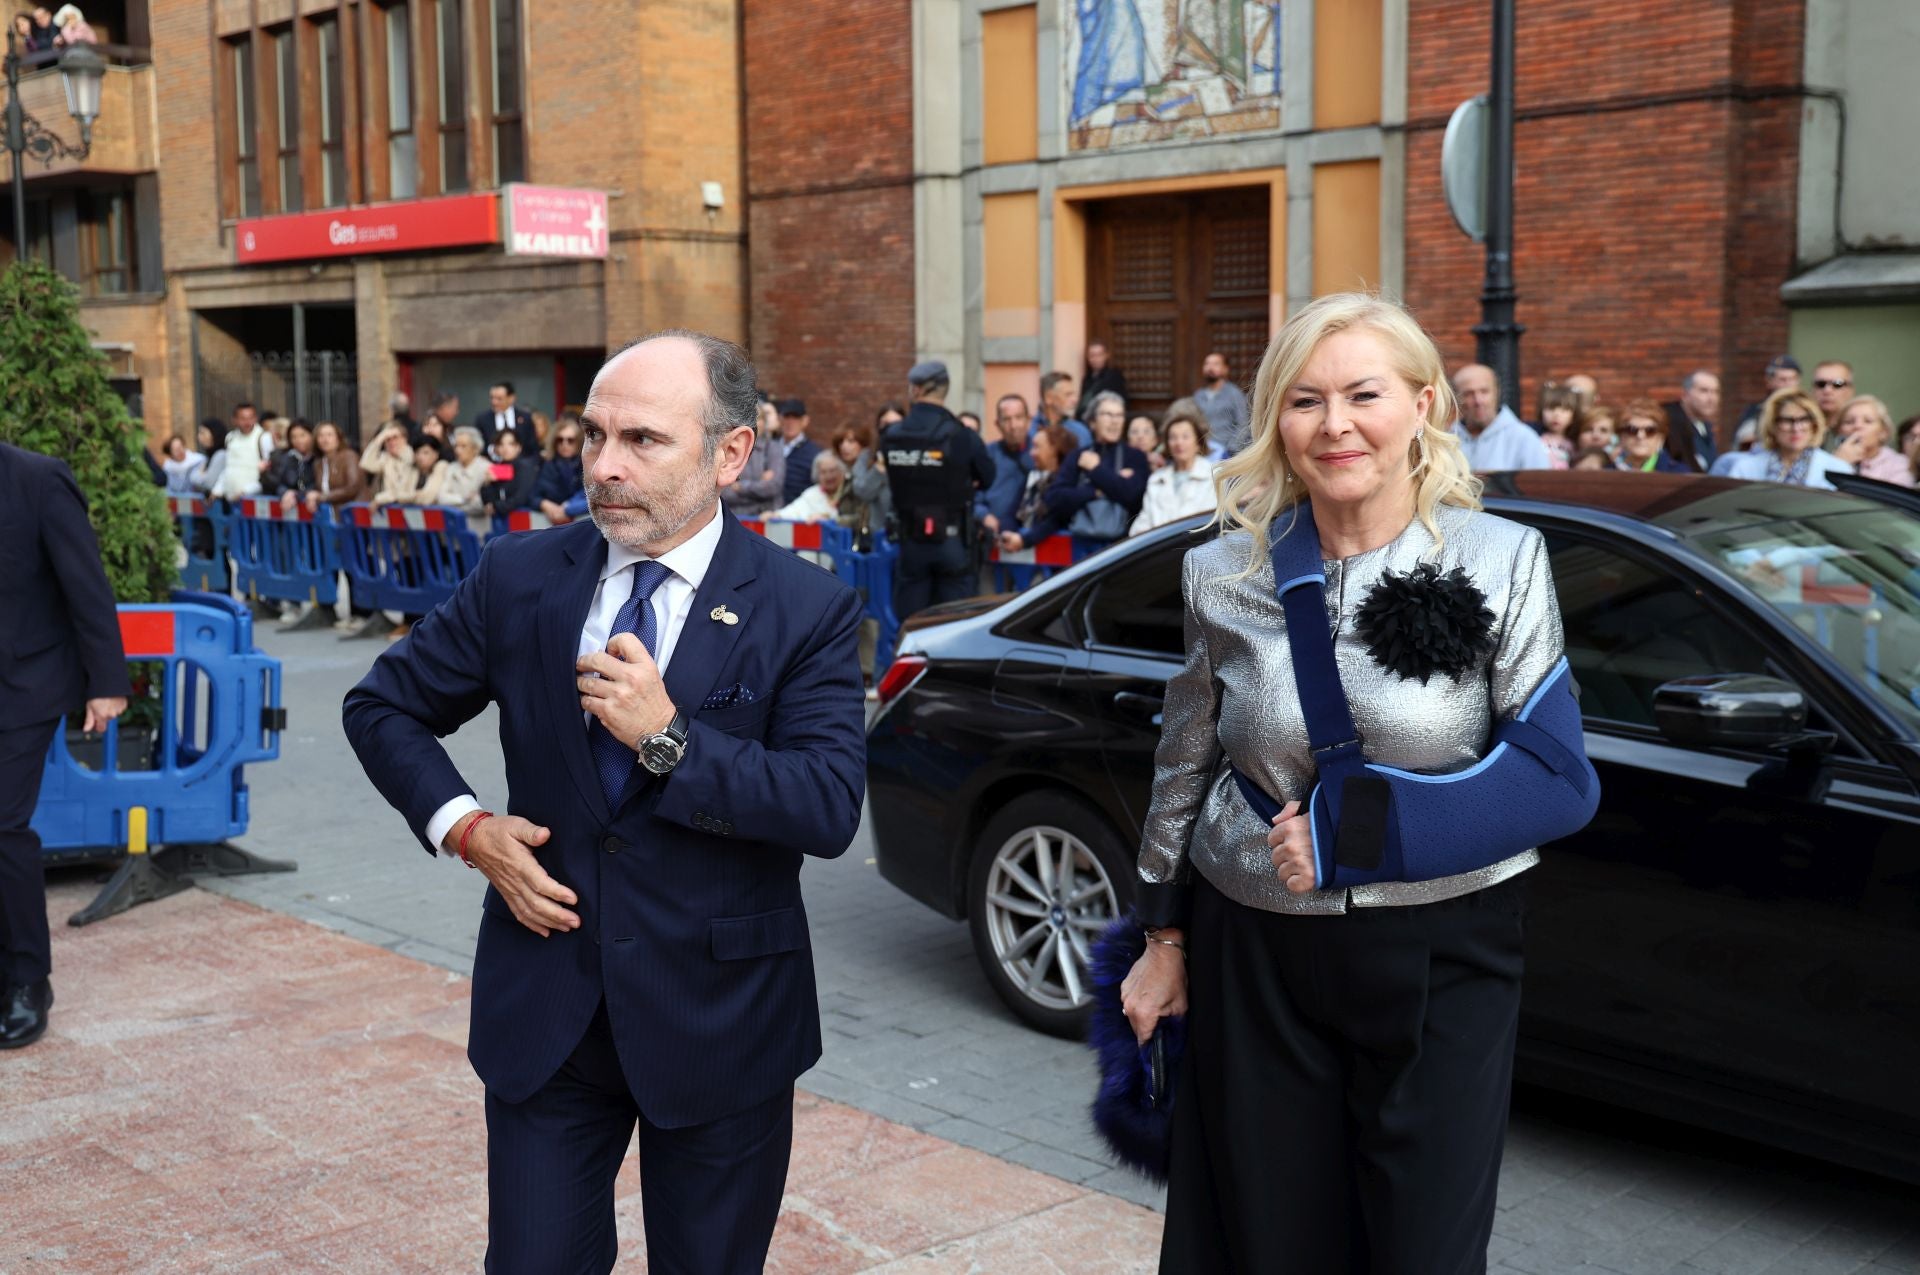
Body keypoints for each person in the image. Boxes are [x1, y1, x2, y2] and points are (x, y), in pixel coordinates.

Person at [343, 330, 864, 1274]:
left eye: (643, 441)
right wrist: (466, 828)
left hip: (722, 1022)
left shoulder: (805, 608)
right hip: (548, 1014)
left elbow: (827, 807)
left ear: (731, 452)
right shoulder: (520, 576)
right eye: (594, 435)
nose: (607, 466)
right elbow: (382, 706)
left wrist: (670, 738)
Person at [1121, 292, 1578, 1272]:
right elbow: (1185, 760)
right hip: (1257, 951)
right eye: (1303, 400)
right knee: (1266, 1239)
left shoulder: (1504, 561)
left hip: (1447, 953)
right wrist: (1161, 936)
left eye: (1362, 394)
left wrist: (1370, 834)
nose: (1334, 426)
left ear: (1421, 405)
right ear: (1274, 422)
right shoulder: (1221, 575)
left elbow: (1557, 778)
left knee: (1423, 1247)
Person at [0, 443, 129, 1049]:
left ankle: (29, 981)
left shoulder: (37, 479)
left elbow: (87, 584)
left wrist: (107, 683)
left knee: (2, 826)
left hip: (23, 685)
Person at [881, 359, 995, 617]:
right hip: (953, 543)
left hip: (911, 543)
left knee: (911, 623)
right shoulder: (961, 436)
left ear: (916, 390)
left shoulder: (892, 435)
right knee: (954, 623)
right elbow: (988, 477)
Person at [1711, 388, 1852, 489]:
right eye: (1787, 420)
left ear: (1814, 424)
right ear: (1773, 425)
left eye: (1804, 419)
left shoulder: (1837, 469)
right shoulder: (1746, 468)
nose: (1796, 428)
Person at [1072, 390, 1150, 543]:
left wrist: (1096, 470)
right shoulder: (1079, 455)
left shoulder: (1135, 456)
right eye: (1108, 415)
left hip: (1122, 545)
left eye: (1119, 415)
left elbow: (1133, 496)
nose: (1114, 421)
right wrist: (1097, 492)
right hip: (1080, 543)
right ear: (1092, 421)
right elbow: (1056, 498)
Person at [997, 422, 1085, 554]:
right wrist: (1007, 532)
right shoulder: (1032, 477)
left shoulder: (1070, 483)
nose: (1031, 453)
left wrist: (1025, 540)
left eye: (1037, 447)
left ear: (1054, 449)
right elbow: (1012, 512)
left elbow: (1055, 521)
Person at [1129, 407, 1216, 534]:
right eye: (1173, 437)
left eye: (1185, 437)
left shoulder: (1214, 474)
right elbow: (1144, 521)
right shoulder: (1157, 478)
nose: (1179, 443)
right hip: (1161, 548)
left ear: (1198, 442)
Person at [1450, 363, 1551, 470]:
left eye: (1484, 391)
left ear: (1497, 392)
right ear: (1456, 399)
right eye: (1468, 394)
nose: (1478, 401)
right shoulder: (1445, 441)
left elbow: (1541, 484)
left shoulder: (1524, 439)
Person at [976, 393, 1032, 543]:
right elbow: (973, 496)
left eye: (1019, 417)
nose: (1013, 426)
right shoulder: (987, 455)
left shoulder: (1041, 451)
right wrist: (984, 515)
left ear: (1028, 420)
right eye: (1006, 419)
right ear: (997, 424)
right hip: (994, 537)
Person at [720, 400, 784, 519]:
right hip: (734, 516)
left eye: (759, 418)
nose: (754, 422)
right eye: (749, 418)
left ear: (764, 422)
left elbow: (773, 486)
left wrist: (741, 487)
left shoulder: (773, 448)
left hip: (765, 518)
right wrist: (758, 486)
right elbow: (724, 492)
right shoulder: (728, 449)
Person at [1832, 395, 1911, 487]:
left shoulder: (1899, 464)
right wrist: (1839, 464)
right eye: (1849, 422)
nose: (1857, 426)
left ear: (1883, 432)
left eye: (1868, 421)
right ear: (1839, 431)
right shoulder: (1828, 460)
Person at [1662, 370, 1721, 472]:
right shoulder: (1670, 421)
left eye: (1715, 392)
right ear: (1685, 394)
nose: (1711, 398)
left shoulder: (1704, 425)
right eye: (1704, 391)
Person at [771, 451, 853, 522]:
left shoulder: (850, 492)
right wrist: (776, 515)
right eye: (823, 472)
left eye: (832, 471)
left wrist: (828, 518)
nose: (828, 476)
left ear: (842, 471)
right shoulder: (812, 493)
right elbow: (794, 510)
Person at [1193, 352, 1250, 455]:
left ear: (1225, 369)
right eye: (1207, 364)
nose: (1210, 368)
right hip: (1201, 451)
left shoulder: (1234, 394)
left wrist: (1231, 449)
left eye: (1216, 364)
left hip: (1225, 451)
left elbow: (1243, 424)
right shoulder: (1198, 395)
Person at [1615, 400, 1691, 473]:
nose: (1640, 436)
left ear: (1661, 438)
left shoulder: (1680, 474)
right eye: (1632, 430)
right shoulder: (1605, 473)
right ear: (1621, 436)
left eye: (1650, 431)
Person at [1735, 354, 1799, 439]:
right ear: (1769, 382)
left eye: (1792, 379)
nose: (1788, 384)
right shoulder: (1757, 411)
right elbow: (1744, 440)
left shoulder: (1806, 409)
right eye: (1782, 379)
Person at [214, 402, 270, 499]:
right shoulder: (230, 438)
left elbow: (268, 471)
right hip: (229, 497)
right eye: (243, 418)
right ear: (234, 420)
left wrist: (246, 491)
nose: (247, 422)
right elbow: (228, 467)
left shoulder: (264, 437)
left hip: (254, 498)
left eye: (250, 418)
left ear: (256, 418)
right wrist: (217, 490)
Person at [535, 415, 586, 521]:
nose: (564, 444)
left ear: (578, 442)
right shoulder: (547, 464)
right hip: (551, 525)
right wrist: (545, 504)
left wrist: (568, 508)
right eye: (560, 440)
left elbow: (589, 494)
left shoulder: (586, 465)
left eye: (570, 440)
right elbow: (533, 495)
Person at [304, 421, 362, 512]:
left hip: (352, 512)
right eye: (321, 436)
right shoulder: (318, 462)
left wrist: (322, 497)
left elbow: (352, 487)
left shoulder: (349, 456)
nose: (325, 439)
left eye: (329, 435)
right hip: (330, 513)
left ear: (338, 438)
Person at [481, 428, 540, 514]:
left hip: (523, 517)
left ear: (518, 447)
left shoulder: (525, 467)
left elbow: (520, 498)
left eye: (511, 444)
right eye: (501, 444)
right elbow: (487, 500)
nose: (505, 448)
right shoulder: (497, 467)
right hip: (501, 519)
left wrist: (496, 507)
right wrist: (487, 483)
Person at [774, 398, 821, 506]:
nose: (790, 422)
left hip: (798, 514)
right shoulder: (769, 447)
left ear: (805, 421)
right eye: (787, 417)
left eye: (796, 417)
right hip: (765, 511)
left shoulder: (814, 454)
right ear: (780, 419)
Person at [436, 426, 492, 515]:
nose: (458, 450)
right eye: (456, 446)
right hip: (454, 522)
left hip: (479, 524)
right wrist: (464, 499)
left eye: (463, 446)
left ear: (475, 449)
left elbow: (480, 504)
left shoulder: (486, 468)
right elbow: (441, 497)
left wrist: (453, 503)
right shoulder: (451, 468)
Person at [360, 418, 419, 502]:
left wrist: (380, 499)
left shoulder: (413, 457)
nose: (392, 442)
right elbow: (366, 464)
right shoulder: (385, 458)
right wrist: (379, 439)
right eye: (388, 439)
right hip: (390, 508)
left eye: (395, 437)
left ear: (404, 439)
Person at [1032, 372, 1093, 453]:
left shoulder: (1081, 432)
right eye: (1068, 395)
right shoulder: (1030, 431)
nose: (1075, 400)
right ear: (1048, 398)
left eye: (1074, 394)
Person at [1076, 339, 1131, 421]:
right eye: (1092, 355)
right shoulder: (1087, 378)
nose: (1095, 359)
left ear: (1106, 355)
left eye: (1099, 355)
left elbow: (1122, 401)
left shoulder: (1114, 376)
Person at [265, 419, 317, 503]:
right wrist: (286, 493)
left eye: (302, 435)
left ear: (312, 435)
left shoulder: (318, 458)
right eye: (293, 437)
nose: (298, 440)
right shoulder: (287, 457)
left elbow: (318, 484)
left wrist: (297, 495)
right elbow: (279, 483)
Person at [475, 381, 533, 454]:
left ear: (511, 398)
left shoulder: (525, 418)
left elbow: (532, 447)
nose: (494, 402)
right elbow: (479, 447)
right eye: (492, 398)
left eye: (499, 399)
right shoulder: (482, 419)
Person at [1533, 381, 1577, 468]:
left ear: (1574, 415)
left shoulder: (1575, 444)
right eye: (1550, 408)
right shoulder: (1535, 440)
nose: (1556, 415)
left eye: (1564, 410)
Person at [1810, 360, 1855, 428]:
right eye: (1821, 384)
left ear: (1850, 391)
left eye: (1837, 384)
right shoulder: (1799, 430)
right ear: (1812, 390)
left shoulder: (1860, 429)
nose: (1827, 390)